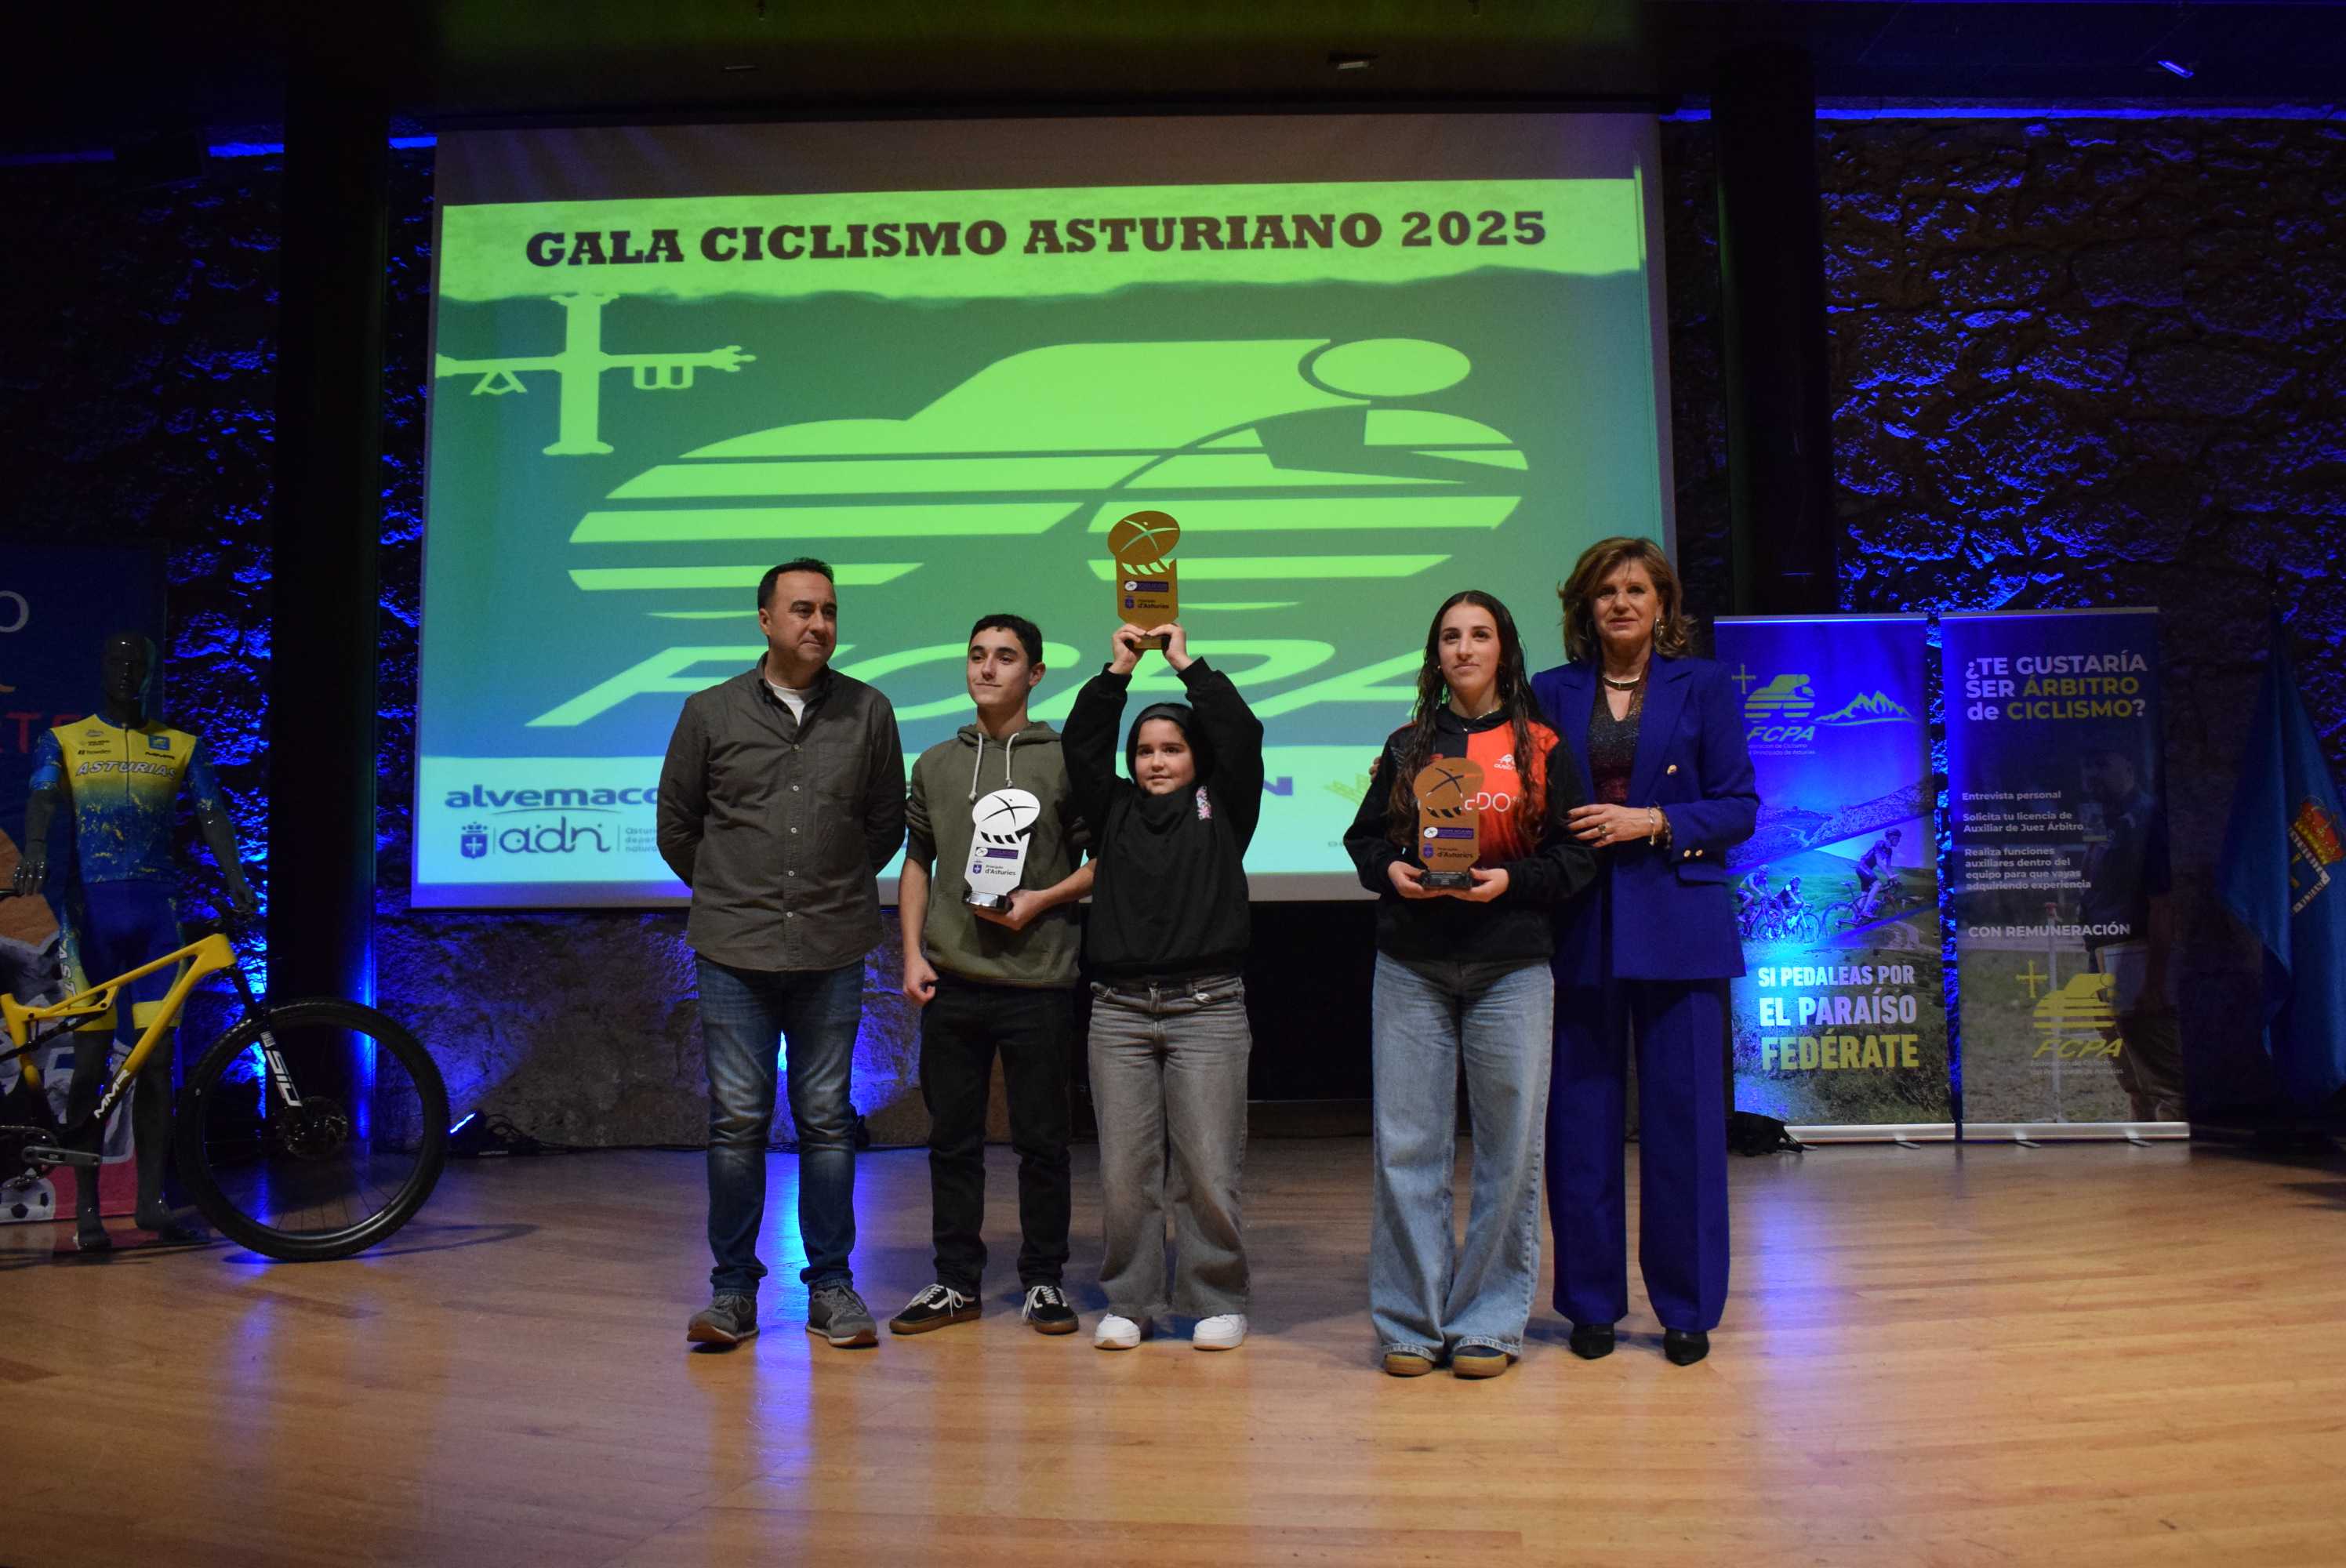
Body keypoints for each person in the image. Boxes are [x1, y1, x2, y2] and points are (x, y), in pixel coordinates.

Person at [1343, 590, 1597, 1378]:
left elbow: (1574, 856)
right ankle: (1411, 1324)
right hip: (1412, 965)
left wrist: (1506, 882)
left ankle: (1488, 1319)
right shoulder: (1407, 741)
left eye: (1478, 634)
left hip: (1511, 964)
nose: (1463, 647)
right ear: (1436, 654)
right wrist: (1391, 870)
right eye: (1449, 635)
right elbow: (1364, 836)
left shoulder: (1544, 744)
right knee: (1408, 1148)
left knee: (1507, 1154)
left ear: (1503, 649)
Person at [656, 558, 906, 1351]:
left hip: (832, 943)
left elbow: (884, 824)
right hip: (734, 948)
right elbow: (678, 824)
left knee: (828, 1121)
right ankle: (731, 1293)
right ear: (764, 619)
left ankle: (832, 1286)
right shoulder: (710, 711)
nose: (819, 624)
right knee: (737, 1121)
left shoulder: (869, 711)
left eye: (829, 610)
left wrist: (824, 888)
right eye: (802, 609)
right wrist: (737, 891)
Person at [1531, 536, 1758, 1367]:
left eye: (1636, 589)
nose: (1621, 603)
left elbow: (1739, 805)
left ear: (1662, 604)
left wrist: (1655, 821)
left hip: (1681, 924)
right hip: (1578, 925)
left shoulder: (1706, 684)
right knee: (1579, 1127)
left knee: (1686, 1131)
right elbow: (1519, 793)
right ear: (1584, 607)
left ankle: (1687, 1307)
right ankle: (1589, 1304)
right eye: (1604, 591)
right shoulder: (1550, 692)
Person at [9, 631, 260, 1251]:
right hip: (88, 916)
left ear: (149, 673)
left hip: (155, 916)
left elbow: (212, 813)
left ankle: (151, 1201)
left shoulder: (178, 745)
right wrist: (35, 849)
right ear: (102, 668)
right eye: (116, 661)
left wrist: (238, 880)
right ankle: (88, 1212)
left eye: (137, 665)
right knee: (91, 1064)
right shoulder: (65, 740)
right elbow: (41, 794)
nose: (127, 672)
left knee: (154, 1066)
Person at [892, 614, 1093, 1338]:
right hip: (954, 979)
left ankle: (1042, 1279)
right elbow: (918, 861)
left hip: (1039, 978)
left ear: (1035, 674)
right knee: (952, 1141)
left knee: (1043, 1141)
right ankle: (955, 1283)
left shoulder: (1066, 760)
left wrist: (1042, 898)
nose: (987, 668)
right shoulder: (938, 763)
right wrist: (913, 953)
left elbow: (1100, 859)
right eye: (977, 655)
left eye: (1006, 658)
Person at [1062, 621, 1262, 1352]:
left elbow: (1242, 736)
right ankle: (1132, 1300)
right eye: (1145, 751)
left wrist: (1185, 665)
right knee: (1126, 1175)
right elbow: (1081, 743)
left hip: (1207, 1010)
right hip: (1118, 1014)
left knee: (1208, 1171)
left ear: (1195, 756)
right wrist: (1117, 671)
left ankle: (1215, 1297)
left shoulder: (1224, 807)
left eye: (1171, 748)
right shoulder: (1112, 809)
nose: (1156, 761)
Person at [2079, 746, 2184, 1121]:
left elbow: (2162, 904)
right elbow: (2091, 883)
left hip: (2136, 956)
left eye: (2101, 762)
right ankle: (2144, 1142)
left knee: (2162, 1072)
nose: (2092, 774)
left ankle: (2175, 1164)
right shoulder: (2105, 818)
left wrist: (2154, 980)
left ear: (2129, 763)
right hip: (2101, 953)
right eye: (2088, 766)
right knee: (2129, 1071)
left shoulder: (2148, 818)